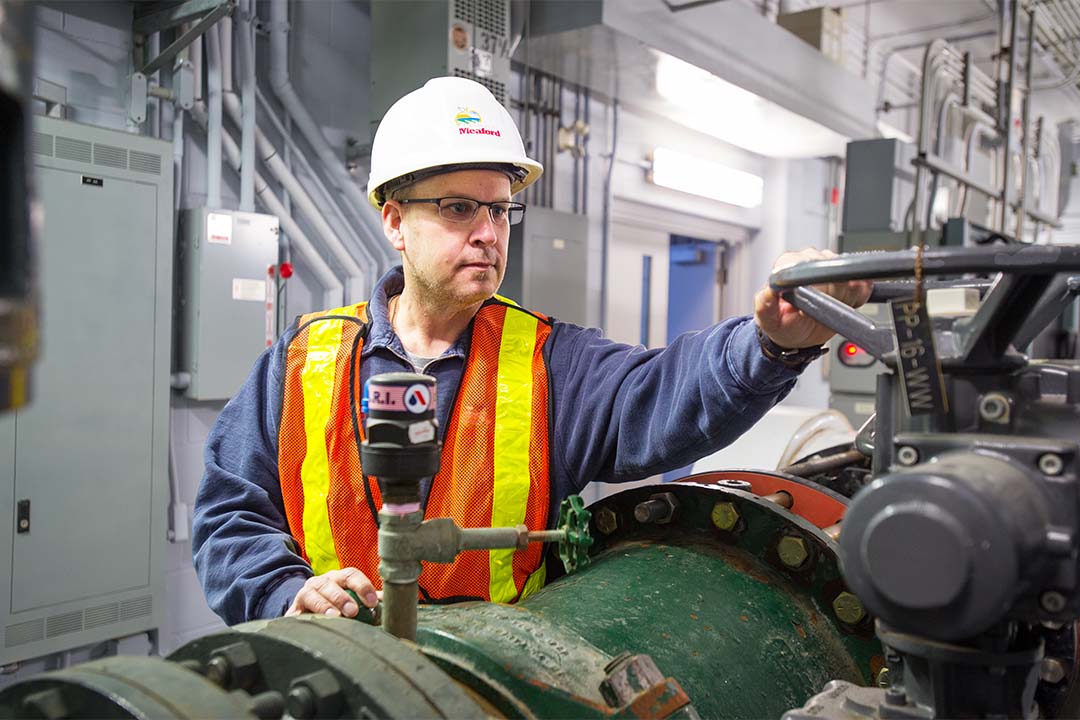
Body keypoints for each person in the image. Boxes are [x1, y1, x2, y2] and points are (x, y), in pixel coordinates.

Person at [192, 76, 870, 625]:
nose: (488, 232)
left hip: (491, 691)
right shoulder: (302, 363)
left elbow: (665, 393)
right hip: (338, 683)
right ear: (395, 221)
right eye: (460, 208)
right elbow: (230, 516)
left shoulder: (548, 361)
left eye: (500, 208)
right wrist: (286, 594)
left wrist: (770, 344)